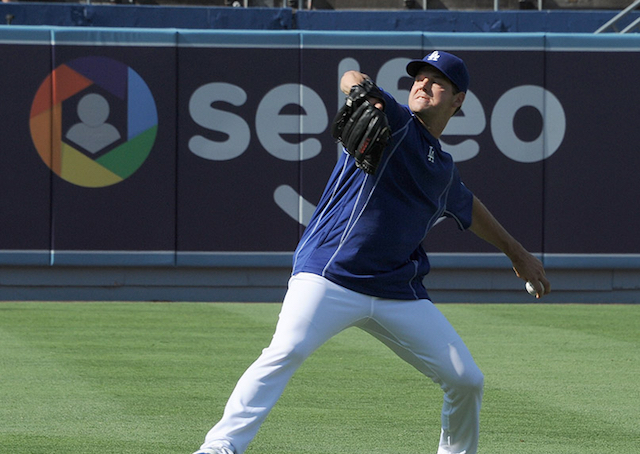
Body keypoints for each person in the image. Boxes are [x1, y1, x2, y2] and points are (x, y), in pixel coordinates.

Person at [192, 50, 550, 454]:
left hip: (396, 290)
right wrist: (360, 91)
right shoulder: (394, 121)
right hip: (330, 273)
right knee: (285, 350)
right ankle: (220, 447)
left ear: (458, 100)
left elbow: (469, 207)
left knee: (466, 379)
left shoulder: (443, 171)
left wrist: (516, 253)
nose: (423, 85)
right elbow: (349, 76)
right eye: (419, 77)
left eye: (437, 81)